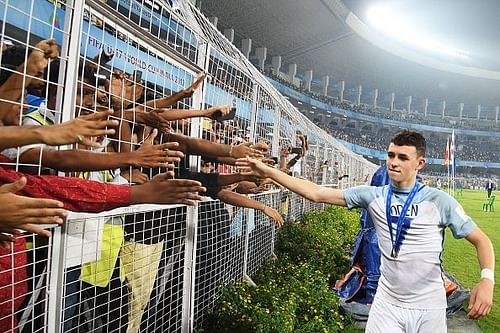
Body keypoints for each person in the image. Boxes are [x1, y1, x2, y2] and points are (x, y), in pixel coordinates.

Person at [237, 130, 494, 332]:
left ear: (420, 163)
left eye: (403, 158)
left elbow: (481, 241)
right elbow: (315, 193)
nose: (394, 162)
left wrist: (486, 280)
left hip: (429, 306)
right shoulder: (373, 196)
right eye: (391, 155)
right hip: (387, 304)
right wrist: (268, 170)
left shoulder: (439, 201)